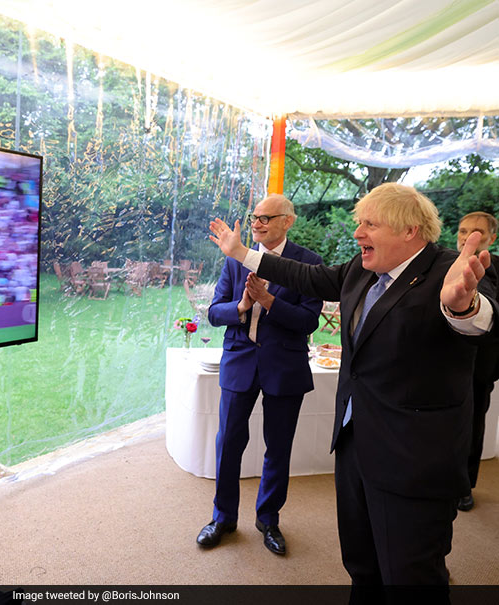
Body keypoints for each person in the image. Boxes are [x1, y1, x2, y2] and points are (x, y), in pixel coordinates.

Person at [208, 183, 495, 588]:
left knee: (411, 576)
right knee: (362, 567)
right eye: (359, 223)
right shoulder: (361, 270)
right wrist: (240, 253)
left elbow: (484, 317)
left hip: (413, 460)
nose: (357, 233)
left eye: (369, 224)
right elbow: (303, 275)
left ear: (410, 230)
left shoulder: (450, 270)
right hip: (355, 446)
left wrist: (462, 307)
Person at [196, 194, 323, 556]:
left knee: (278, 447)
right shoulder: (237, 260)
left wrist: (269, 302)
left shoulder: (309, 264)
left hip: (284, 365)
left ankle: (268, 519)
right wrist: (242, 305)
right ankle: (222, 518)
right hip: (240, 361)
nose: (257, 224)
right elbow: (214, 312)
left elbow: (308, 321)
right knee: (228, 443)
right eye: (255, 218)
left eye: (267, 217)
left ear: (288, 221)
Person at [455, 211, 499, 512]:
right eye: (462, 231)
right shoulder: (443, 264)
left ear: (491, 238)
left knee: (471, 428)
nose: (467, 237)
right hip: (438, 365)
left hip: (479, 366)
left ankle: (465, 486)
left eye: (477, 233)